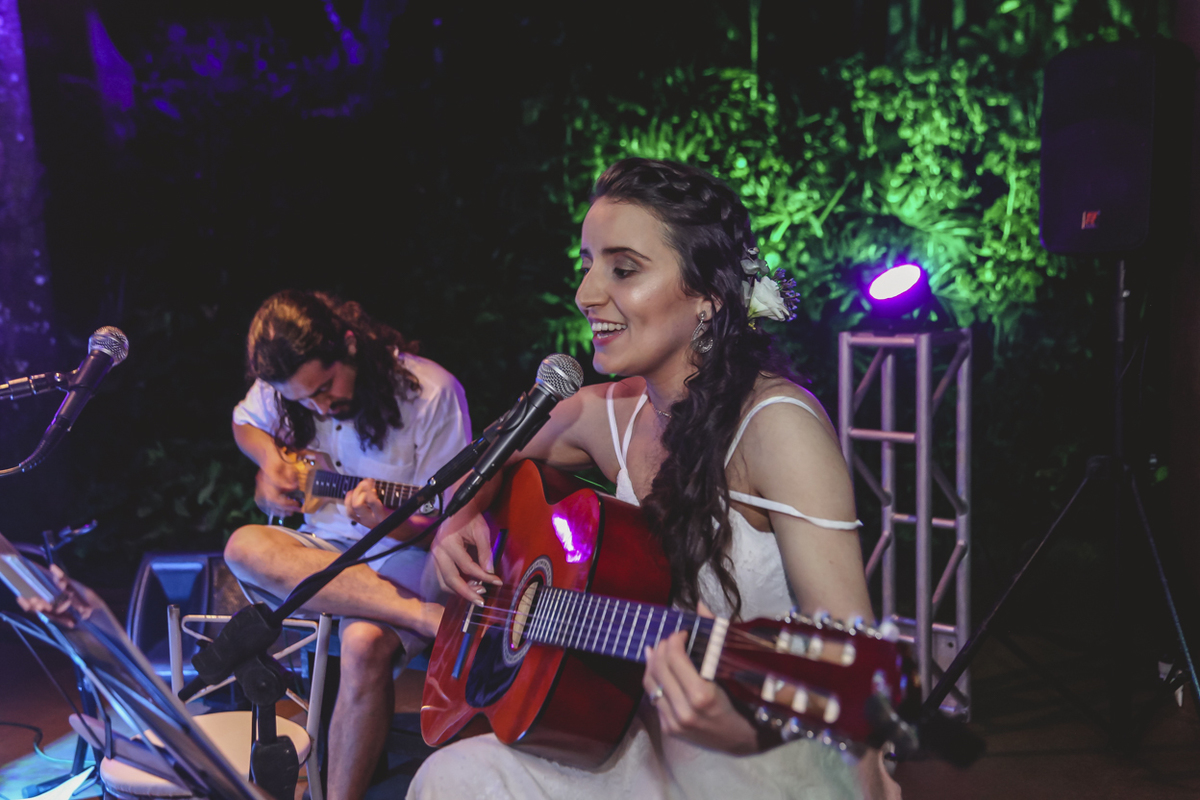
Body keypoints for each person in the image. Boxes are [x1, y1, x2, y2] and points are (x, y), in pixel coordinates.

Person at [413, 159, 901, 799]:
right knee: (452, 780)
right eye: (586, 265)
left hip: (772, 755)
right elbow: (485, 456)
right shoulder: (605, 414)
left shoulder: (778, 426)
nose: (587, 293)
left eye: (623, 269)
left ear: (707, 296)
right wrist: (459, 517)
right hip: (635, 747)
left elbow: (854, 665)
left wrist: (744, 726)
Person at [223, 290, 469, 800]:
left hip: (407, 555)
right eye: (302, 399)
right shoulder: (291, 384)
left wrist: (392, 523)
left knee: (361, 644)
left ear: (350, 346)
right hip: (321, 546)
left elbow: (449, 520)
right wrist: (271, 464)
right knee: (242, 545)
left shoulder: (432, 392)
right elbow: (244, 423)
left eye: (325, 387)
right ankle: (423, 619)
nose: (318, 404)